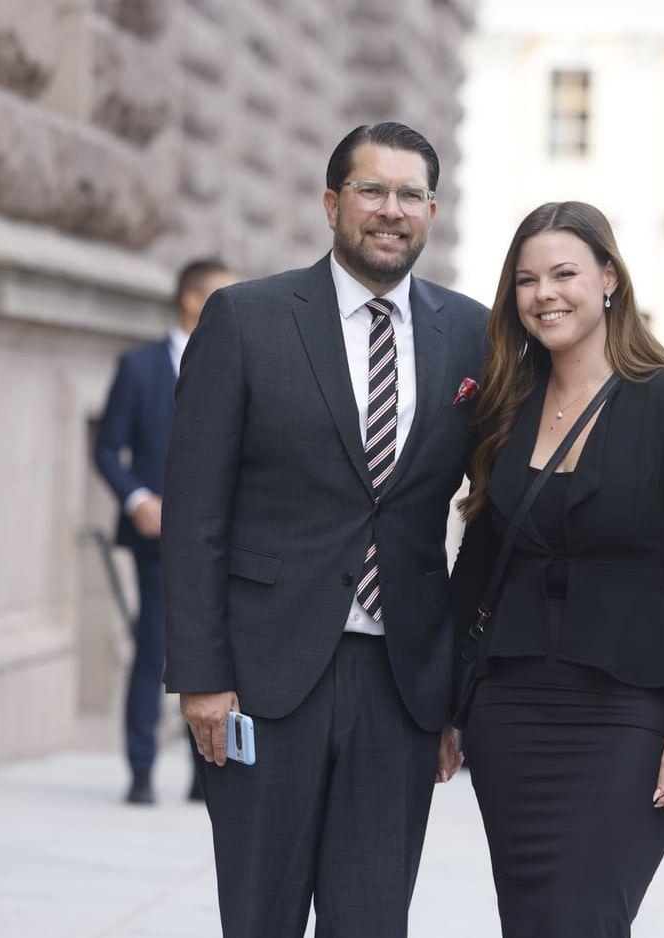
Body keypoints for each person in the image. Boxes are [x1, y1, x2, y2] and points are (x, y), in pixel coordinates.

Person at [161, 122, 486, 937]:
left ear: (431, 211)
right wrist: (201, 675)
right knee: (261, 916)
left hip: (401, 685)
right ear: (331, 203)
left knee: (372, 920)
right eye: (371, 190)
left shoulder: (472, 335)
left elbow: (487, 515)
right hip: (262, 680)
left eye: (409, 194)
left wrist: (457, 696)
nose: (390, 210)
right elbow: (195, 512)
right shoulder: (247, 319)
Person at [450, 201, 664, 936]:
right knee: (532, 919)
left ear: (608, 278)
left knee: (584, 916)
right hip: (508, 711)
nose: (544, 293)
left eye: (564, 273)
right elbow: (475, 563)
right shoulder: (504, 406)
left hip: (627, 710)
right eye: (525, 279)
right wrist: (447, 705)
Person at [95, 259, 235, 806]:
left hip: (225, 540)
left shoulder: (239, 360)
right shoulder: (139, 366)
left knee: (216, 654)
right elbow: (106, 448)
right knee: (154, 650)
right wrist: (136, 499)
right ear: (190, 299)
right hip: (158, 538)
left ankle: (206, 773)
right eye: (220, 295)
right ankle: (140, 769)